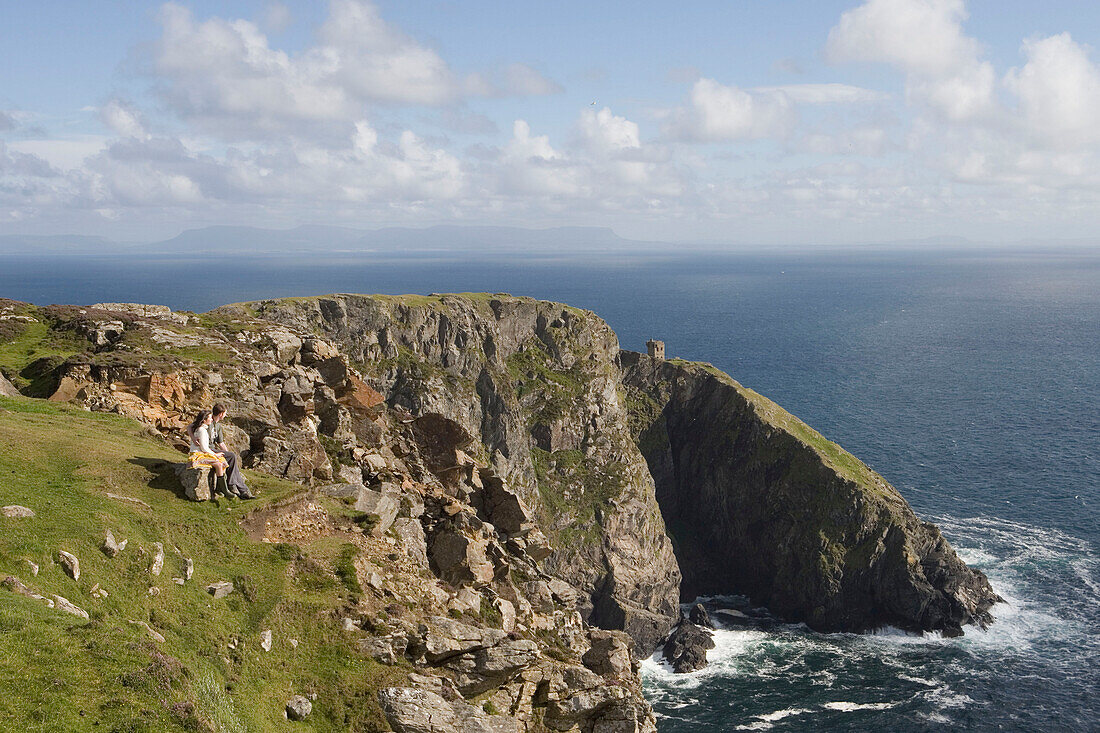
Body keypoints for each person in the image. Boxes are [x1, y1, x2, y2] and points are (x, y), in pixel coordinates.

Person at [210, 403, 254, 499]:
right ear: (221, 414)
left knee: (231, 456)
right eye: (225, 413)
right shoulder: (208, 421)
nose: (226, 415)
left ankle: (241, 490)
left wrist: (227, 454)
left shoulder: (218, 427)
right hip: (208, 449)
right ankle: (237, 488)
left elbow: (221, 443)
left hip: (213, 449)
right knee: (232, 456)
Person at [187, 410, 231, 498]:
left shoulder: (201, 429)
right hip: (198, 455)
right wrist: (215, 454)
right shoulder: (202, 430)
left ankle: (220, 488)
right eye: (210, 418)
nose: (211, 420)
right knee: (219, 463)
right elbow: (204, 448)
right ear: (204, 420)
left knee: (222, 461)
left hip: (201, 453)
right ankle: (224, 489)